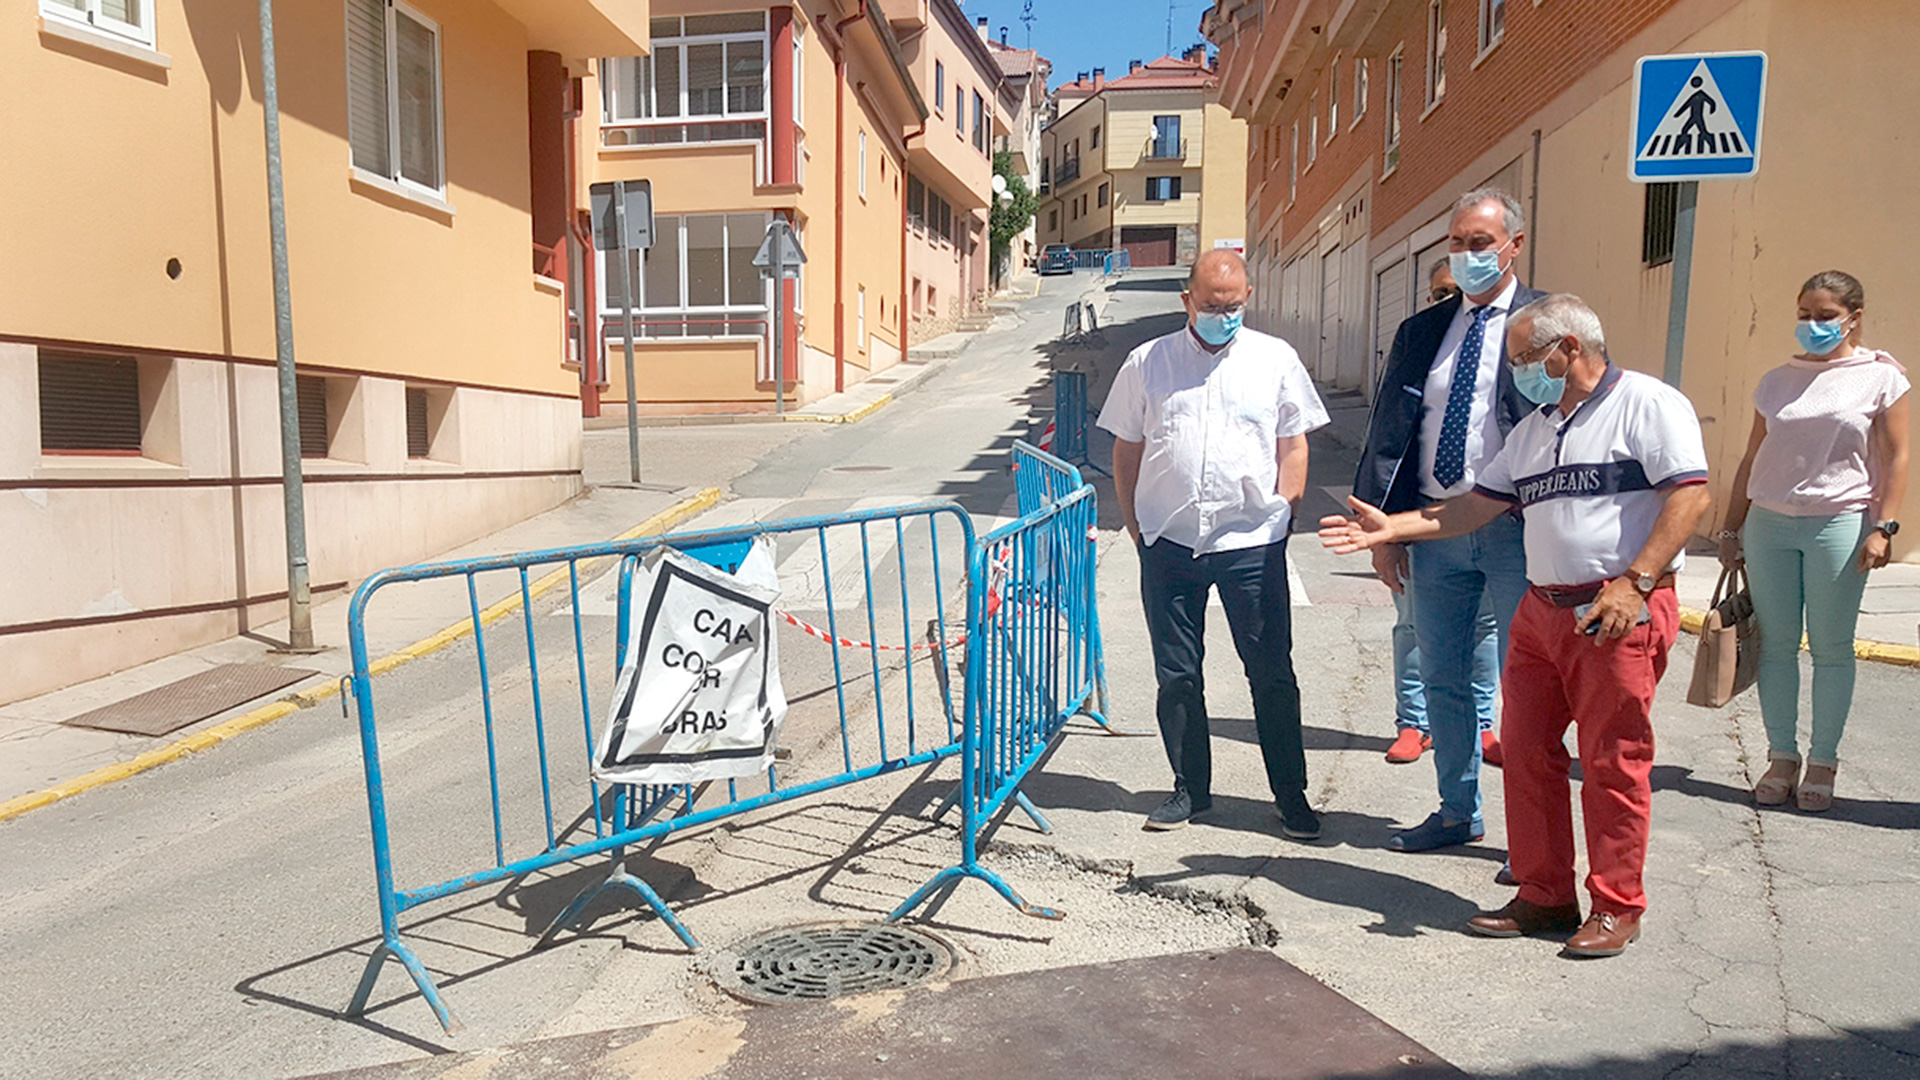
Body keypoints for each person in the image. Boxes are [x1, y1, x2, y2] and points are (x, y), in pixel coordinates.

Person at [1321, 294, 1712, 958]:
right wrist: (1393, 527)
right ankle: (1545, 893)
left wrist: (1637, 580)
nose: (1517, 372)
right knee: (1526, 752)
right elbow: (1470, 508)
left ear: (1569, 349)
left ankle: (1616, 905)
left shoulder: (1647, 404)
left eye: (1526, 358)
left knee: (1612, 761)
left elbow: (1691, 494)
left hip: (1613, 609)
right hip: (1542, 611)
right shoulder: (1533, 432)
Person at [1098, 249, 1329, 837]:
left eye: (1233, 306)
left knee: (1271, 673)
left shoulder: (1274, 359)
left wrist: (1285, 513)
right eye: (1210, 306)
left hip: (1251, 541)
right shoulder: (1148, 362)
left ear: (1247, 297)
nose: (1222, 316)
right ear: (1187, 301)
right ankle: (1190, 790)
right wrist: (1137, 526)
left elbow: (1294, 443)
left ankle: (1291, 795)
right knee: (1178, 675)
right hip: (1170, 541)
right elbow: (1127, 448)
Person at [1352, 188, 1542, 851]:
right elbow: (1390, 430)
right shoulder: (1423, 330)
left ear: (1514, 245)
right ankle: (1457, 811)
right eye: (1457, 243)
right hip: (1434, 529)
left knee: (1529, 686)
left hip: (1518, 531)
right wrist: (1384, 531)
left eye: (1479, 243)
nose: (1466, 255)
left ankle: (1533, 839)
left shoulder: (1545, 324)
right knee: (1443, 678)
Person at [1715, 270, 1910, 812]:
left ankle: (1823, 759)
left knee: (1831, 647)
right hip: (1769, 524)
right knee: (1776, 645)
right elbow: (1752, 457)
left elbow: (1897, 456)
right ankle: (1782, 756)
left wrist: (1884, 527)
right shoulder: (1776, 381)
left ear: (1854, 318)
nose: (1813, 325)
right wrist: (1731, 527)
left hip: (1840, 523)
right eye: (1805, 315)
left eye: (1825, 316)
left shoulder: (1881, 377)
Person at [1385, 259, 1504, 767]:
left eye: (1455, 291)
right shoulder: (1420, 343)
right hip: (1426, 518)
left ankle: (1482, 723)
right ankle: (1415, 722)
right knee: (1414, 624)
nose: (1449, 301)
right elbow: (1390, 434)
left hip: (1494, 513)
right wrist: (1388, 533)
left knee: (1485, 628)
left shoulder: (1509, 338)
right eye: (1439, 293)